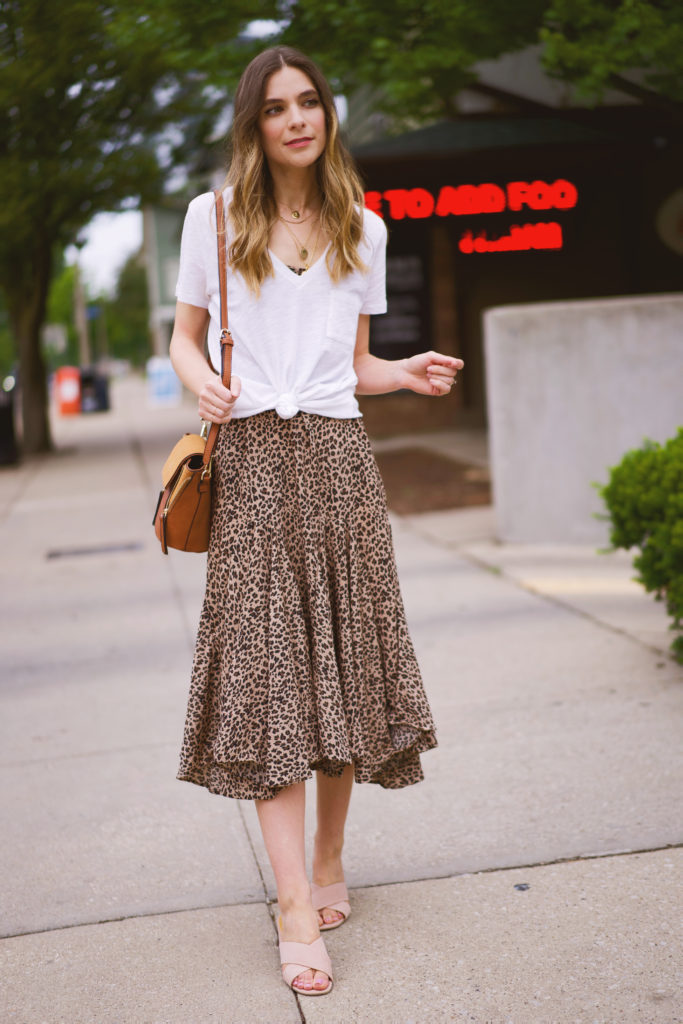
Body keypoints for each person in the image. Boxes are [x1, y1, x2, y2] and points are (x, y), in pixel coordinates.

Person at [169, 45, 463, 997]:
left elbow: (351, 364)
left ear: (327, 116)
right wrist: (203, 382)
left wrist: (404, 372)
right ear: (253, 124)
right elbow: (180, 335)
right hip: (251, 464)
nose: (297, 119)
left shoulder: (360, 227)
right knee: (270, 684)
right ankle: (296, 901)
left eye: (310, 103)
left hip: (339, 466)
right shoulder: (211, 220)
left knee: (342, 670)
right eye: (276, 107)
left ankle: (331, 850)